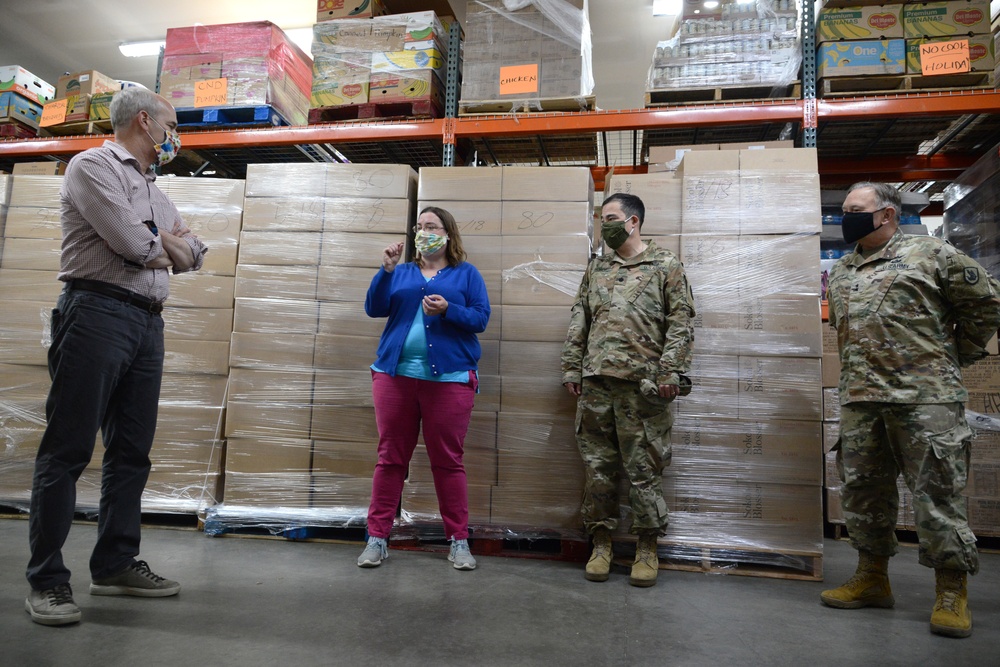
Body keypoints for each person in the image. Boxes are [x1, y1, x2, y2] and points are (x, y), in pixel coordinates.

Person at [24, 87, 207, 626]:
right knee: (68, 449)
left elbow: (195, 253)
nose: (176, 136)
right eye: (172, 124)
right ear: (146, 122)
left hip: (147, 324)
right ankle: (48, 581)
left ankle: (115, 563)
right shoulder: (92, 166)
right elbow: (133, 243)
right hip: (96, 314)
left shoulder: (154, 189)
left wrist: (169, 244)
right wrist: (163, 244)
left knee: (132, 452)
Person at [822, 181, 1000, 639]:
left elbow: (986, 306)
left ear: (886, 214)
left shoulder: (933, 256)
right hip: (862, 400)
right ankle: (873, 578)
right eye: (844, 210)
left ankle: (951, 590)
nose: (847, 217)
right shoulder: (842, 271)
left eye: (855, 210)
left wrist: (951, 357)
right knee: (863, 494)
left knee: (937, 498)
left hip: (926, 400)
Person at [560, 193, 695, 587]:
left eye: (612, 218)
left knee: (644, 471)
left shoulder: (664, 265)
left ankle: (646, 549)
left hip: (644, 388)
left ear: (634, 222)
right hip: (597, 384)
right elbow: (579, 318)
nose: (606, 226)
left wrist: (671, 372)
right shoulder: (597, 269)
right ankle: (601, 545)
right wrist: (572, 366)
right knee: (598, 469)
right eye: (603, 220)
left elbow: (681, 322)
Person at [358, 206, 490, 571]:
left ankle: (459, 542)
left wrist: (449, 309)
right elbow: (374, 308)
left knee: (447, 461)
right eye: (419, 226)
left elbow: (480, 318)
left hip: (449, 381)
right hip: (394, 377)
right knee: (390, 459)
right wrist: (384, 271)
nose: (423, 232)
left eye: (431, 226)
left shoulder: (466, 274)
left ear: (448, 234)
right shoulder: (400, 272)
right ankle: (377, 538)